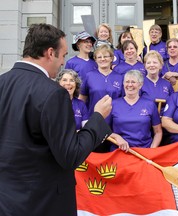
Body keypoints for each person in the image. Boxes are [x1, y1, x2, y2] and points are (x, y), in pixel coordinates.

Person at [0, 24, 128, 216]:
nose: (63, 62)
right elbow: (70, 155)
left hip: (6, 199)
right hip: (44, 201)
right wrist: (98, 118)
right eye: (63, 55)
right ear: (50, 53)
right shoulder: (54, 94)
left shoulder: (2, 82)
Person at [108, 70, 162, 151]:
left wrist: (151, 151)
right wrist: (116, 137)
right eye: (127, 82)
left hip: (144, 152)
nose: (130, 85)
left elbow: (158, 132)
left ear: (140, 85)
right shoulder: (113, 104)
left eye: (133, 82)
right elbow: (103, 131)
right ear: (123, 84)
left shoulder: (149, 104)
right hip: (119, 151)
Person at [79, 44, 123, 117]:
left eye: (105, 56)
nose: (102, 59)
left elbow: (122, 101)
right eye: (99, 57)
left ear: (111, 58)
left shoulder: (119, 77)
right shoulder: (89, 76)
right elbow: (82, 99)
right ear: (95, 59)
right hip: (94, 119)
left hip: (114, 119)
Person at [141, 50, 174, 114]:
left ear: (161, 65)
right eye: (148, 63)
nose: (152, 65)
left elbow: (172, 103)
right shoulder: (140, 83)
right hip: (146, 119)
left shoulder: (167, 84)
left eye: (155, 62)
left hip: (164, 119)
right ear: (145, 66)